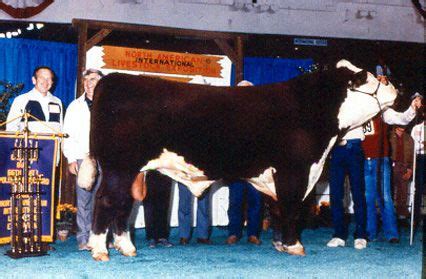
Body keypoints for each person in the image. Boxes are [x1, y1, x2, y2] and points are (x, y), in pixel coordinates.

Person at [62, 68, 104, 250]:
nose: (89, 83)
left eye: (93, 80)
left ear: (101, 82)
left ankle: (100, 237)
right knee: (84, 200)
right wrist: (71, 158)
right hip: (83, 157)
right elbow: (68, 135)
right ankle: (83, 238)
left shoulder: (109, 103)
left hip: (105, 158)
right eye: (86, 80)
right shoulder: (74, 106)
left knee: (102, 199)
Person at [226, 80, 263, 246]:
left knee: (256, 201)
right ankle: (234, 232)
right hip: (235, 166)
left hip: (256, 166)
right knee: (235, 201)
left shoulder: (260, 115)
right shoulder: (230, 115)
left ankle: (253, 234)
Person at [327, 124, 367, 249]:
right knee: (335, 194)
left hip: (354, 146)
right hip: (336, 147)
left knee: (358, 192)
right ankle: (338, 235)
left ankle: (360, 235)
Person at [6, 66, 63, 133]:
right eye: (42, 78)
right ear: (34, 80)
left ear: (52, 82)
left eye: (49, 78)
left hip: (54, 143)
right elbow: (11, 128)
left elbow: (61, 129)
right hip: (28, 143)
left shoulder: (57, 102)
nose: (45, 82)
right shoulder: (21, 100)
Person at [143, 171, 173, 248]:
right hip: (151, 173)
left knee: (164, 206)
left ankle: (162, 236)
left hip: (166, 174)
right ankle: (151, 237)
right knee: (149, 207)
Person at [390, 125, 414, 219]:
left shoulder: (409, 138)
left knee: (403, 192)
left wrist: (410, 169)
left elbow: (412, 156)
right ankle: (389, 216)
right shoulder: (389, 137)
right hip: (391, 167)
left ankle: (402, 216)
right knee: (389, 192)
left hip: (404, 167)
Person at [410, 92, 424, 229]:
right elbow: (415, 145)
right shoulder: (416, 128)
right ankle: (415, 217)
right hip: (420, 158)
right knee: (418, 188)